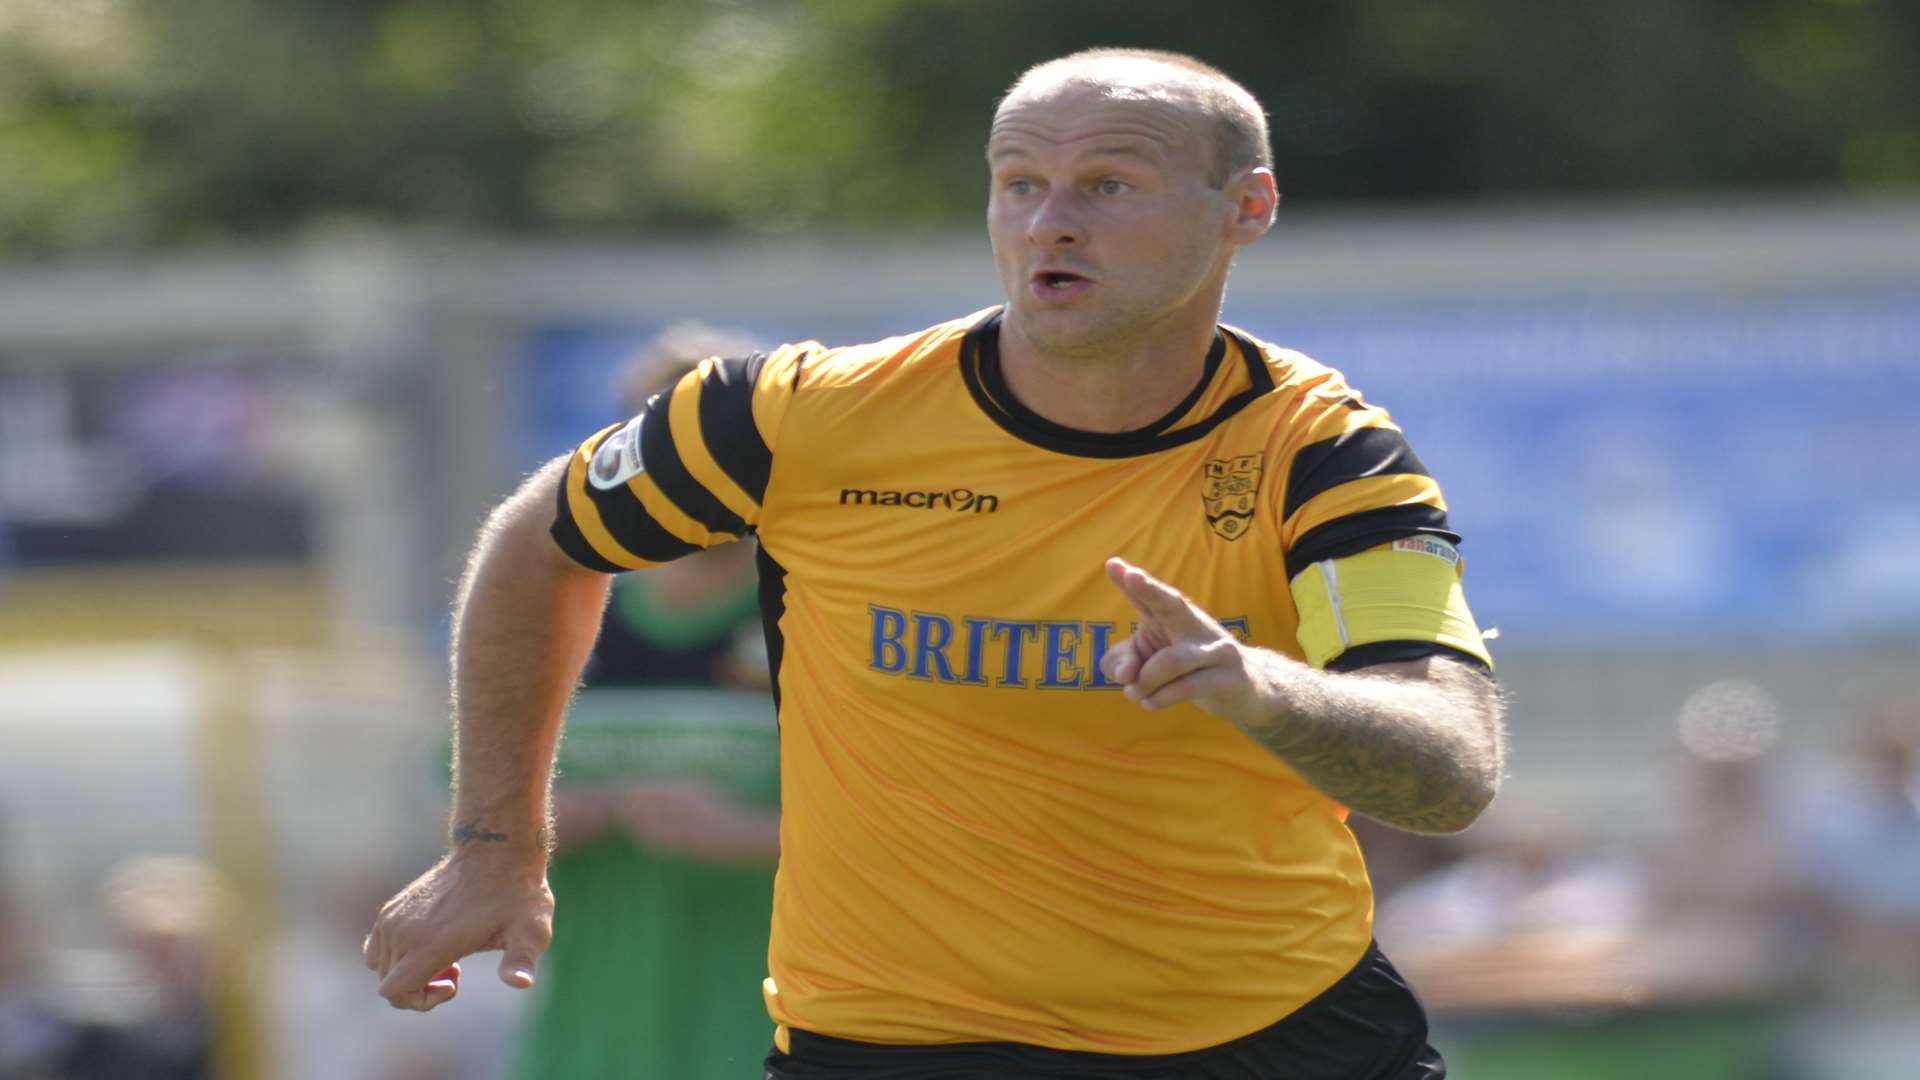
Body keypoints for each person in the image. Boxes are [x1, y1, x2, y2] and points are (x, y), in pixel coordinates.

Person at [366, 47, 1505, 1080]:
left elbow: (1448, 767)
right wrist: (494, 851)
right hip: (892, 1047)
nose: (1052, 222)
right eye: (1020, 184)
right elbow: (537, 543)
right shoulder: (795, 416)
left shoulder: (1328, 453)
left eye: (1109, 185)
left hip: (1268, 1037)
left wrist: (1267, 693)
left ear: (1245, 208)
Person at [505, 324, 781, 1080]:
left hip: (767, 1043)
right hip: (579, 1050)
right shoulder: (560, 627)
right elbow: (458, 814)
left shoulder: (822, 624)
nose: (689, 461)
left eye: (719, 435)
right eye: (656, 430)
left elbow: (918, 832)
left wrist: (756, 836)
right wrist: (538, 826)